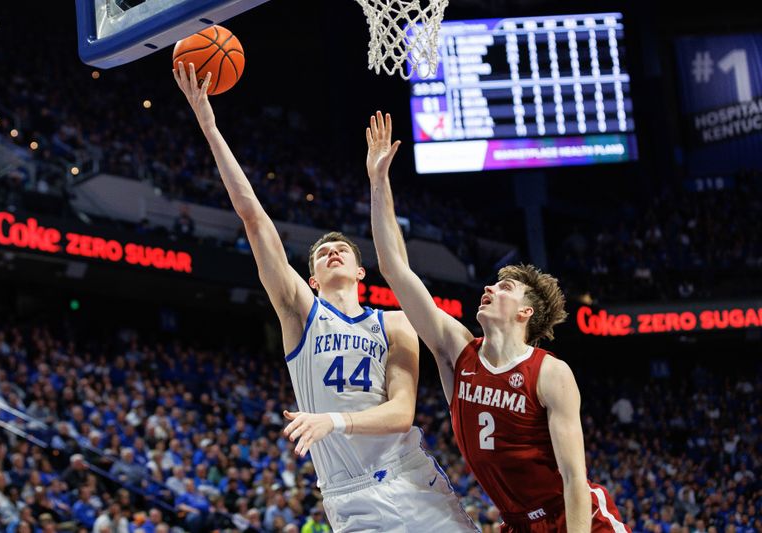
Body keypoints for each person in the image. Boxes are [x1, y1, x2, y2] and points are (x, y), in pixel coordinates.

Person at [173, 63, 476, 532]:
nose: (331, 250)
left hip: (408, 480)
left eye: (342, 250)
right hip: (346, 496)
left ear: (359, 270)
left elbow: (401, 413)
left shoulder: (395, 323)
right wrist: (210, 127)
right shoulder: (300, 313)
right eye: (321, 253)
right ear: (311, 278)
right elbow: (253, 217)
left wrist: (332, 422)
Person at [365, 111, 630, 533]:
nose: (489, 288)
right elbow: (394, 269)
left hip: (578, 519)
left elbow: (575, 481)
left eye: (505, 288)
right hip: (517, 524)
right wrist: (379, 183)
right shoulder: (457, 349)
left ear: (526, 312)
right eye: (492, 283)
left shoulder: (549, 372)